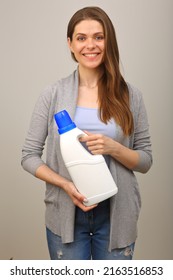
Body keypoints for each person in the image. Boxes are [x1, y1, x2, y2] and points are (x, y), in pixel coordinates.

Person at [21, 6, 152, 260]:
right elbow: (28, 156)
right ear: (70, 44)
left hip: (117, 216)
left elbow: (146, 161)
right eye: (81, 38)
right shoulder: (53, 94)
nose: (90, 45)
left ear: (108, 41)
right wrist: (66, 185)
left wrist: (113, 147)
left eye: (98, 37)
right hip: (66, 214)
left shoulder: (131, 96)